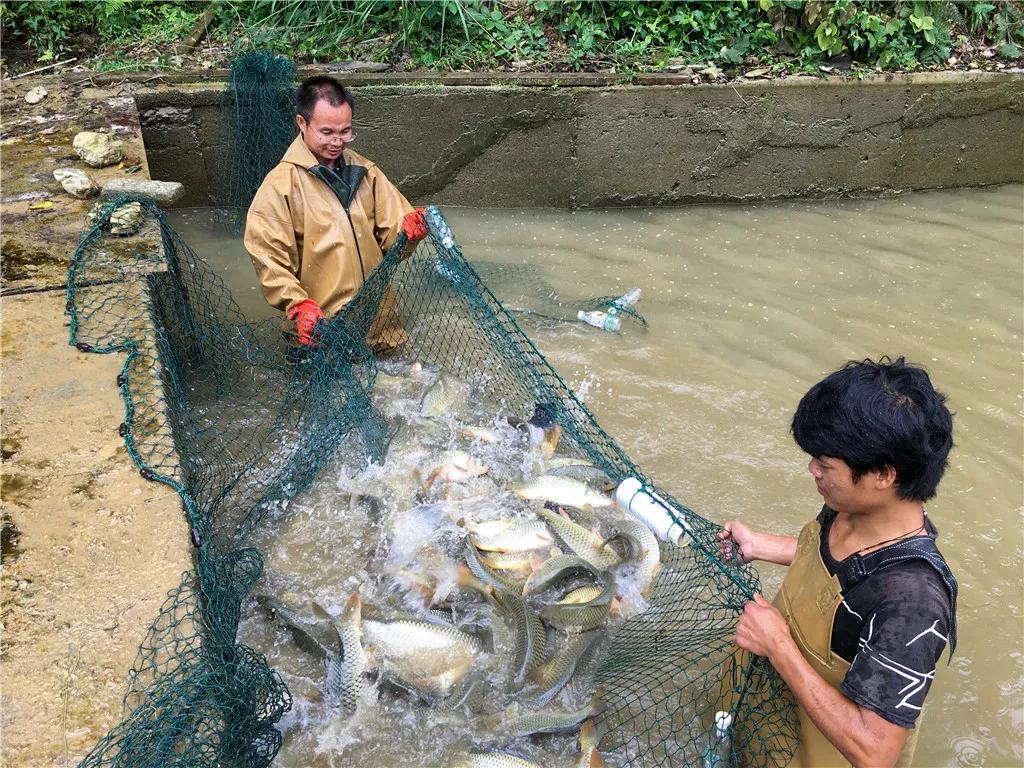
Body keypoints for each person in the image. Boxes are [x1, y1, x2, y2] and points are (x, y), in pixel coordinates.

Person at [718, 357, 957, 768]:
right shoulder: (849, 506)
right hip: (761, 722)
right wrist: (761, 545)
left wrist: (778, 646)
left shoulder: (913, 603)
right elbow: (837, 566)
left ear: (882, 474)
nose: (812, 470)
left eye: (825, 465)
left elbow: (874, 751)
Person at [244, 75, 428, 351]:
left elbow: (395, 235)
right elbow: (268, 258)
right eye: (327, 132)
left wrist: (409, 230)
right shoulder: (280, 185)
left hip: (380, 330)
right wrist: (298, 305)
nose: (338, 141)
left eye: (345, 132)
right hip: (320, 334)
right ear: (302, 123)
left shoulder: (366, 171)